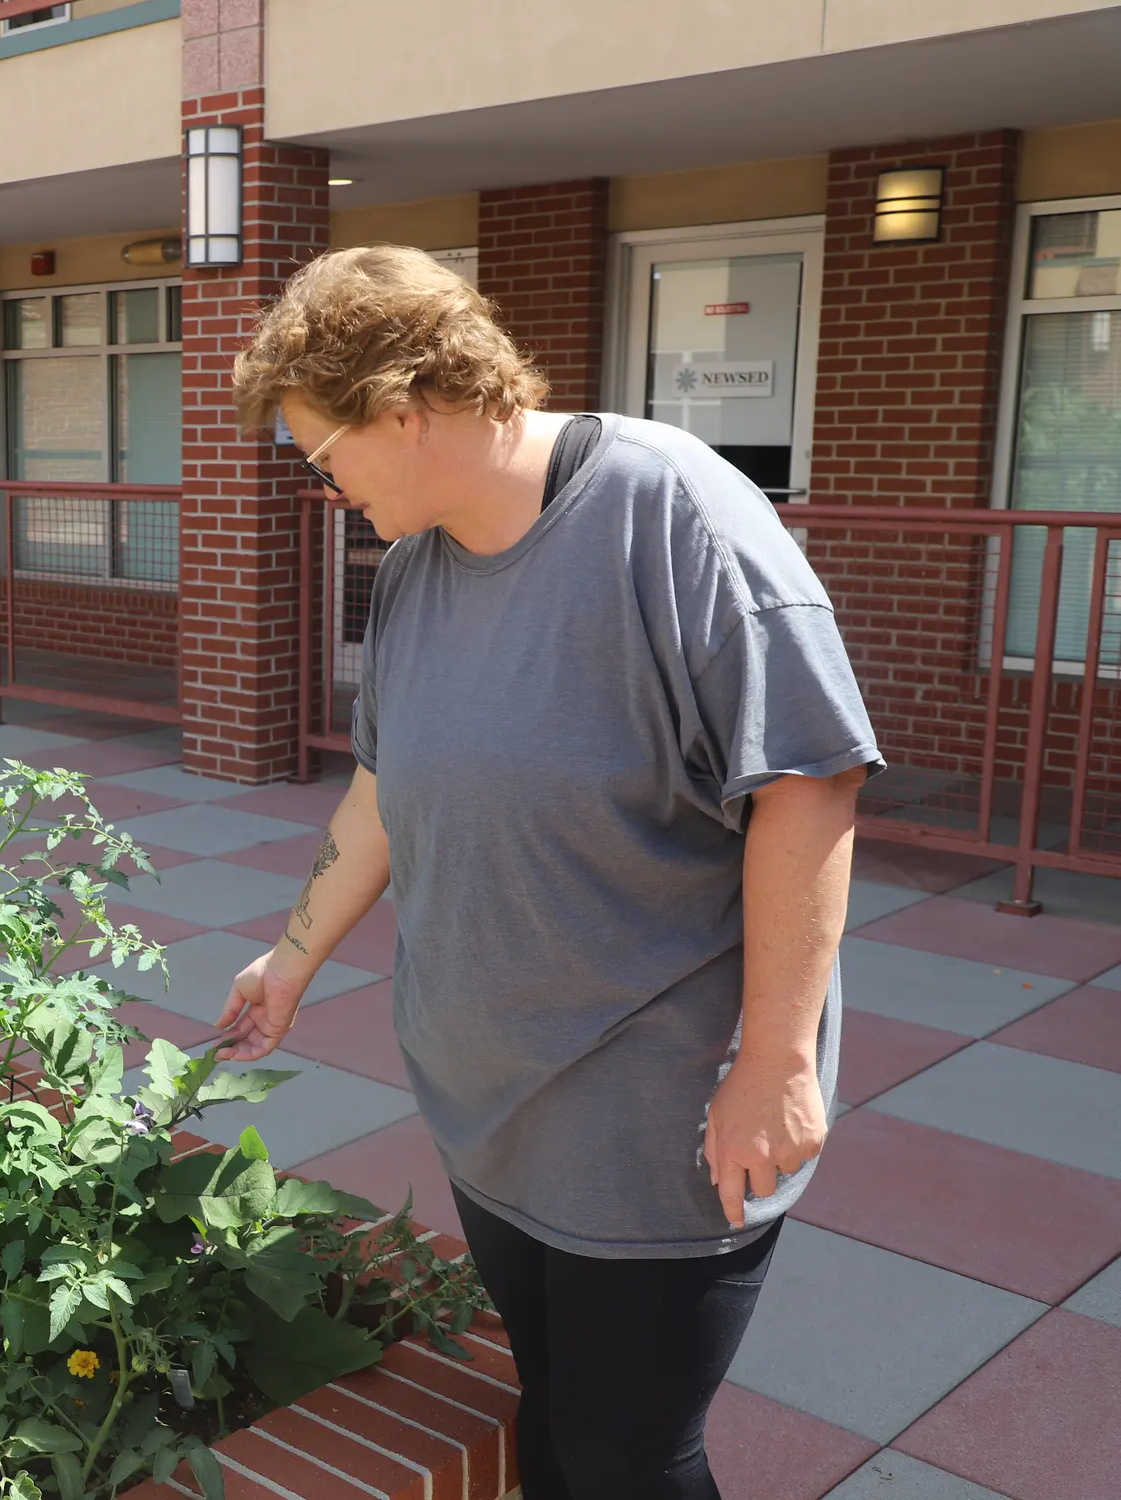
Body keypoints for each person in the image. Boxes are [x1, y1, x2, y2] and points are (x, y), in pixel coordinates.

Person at [219, 245, 881, 1500]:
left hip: (655, 1120)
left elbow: (808, 780)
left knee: (628, 1455)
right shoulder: (416, 563)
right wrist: (291, 958)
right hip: (490, 1106)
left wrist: (779, 1065)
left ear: (405, 412)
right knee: (559, 1428)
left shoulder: (670, 513)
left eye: (323, 457)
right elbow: (384, 787)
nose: (323, 489)